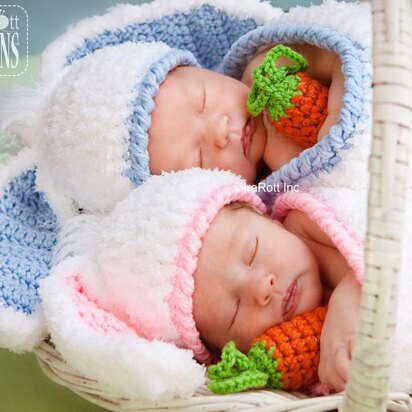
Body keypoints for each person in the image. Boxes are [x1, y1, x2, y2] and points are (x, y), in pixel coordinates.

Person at [47, 168, 362, 393]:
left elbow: (390, 244)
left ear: (265, 216)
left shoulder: (309, 225)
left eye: (252, 252)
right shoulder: (286, 364)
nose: (260, 288)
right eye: (234, 310)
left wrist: (348, 299)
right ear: (226, 350)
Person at [148, 42, 344, 180]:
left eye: (203, 101)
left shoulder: (268, 71)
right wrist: (297, 166)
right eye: (199, 158)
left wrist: (337, 117)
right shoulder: (269, 195)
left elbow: (342, 56)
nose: (220, 130)